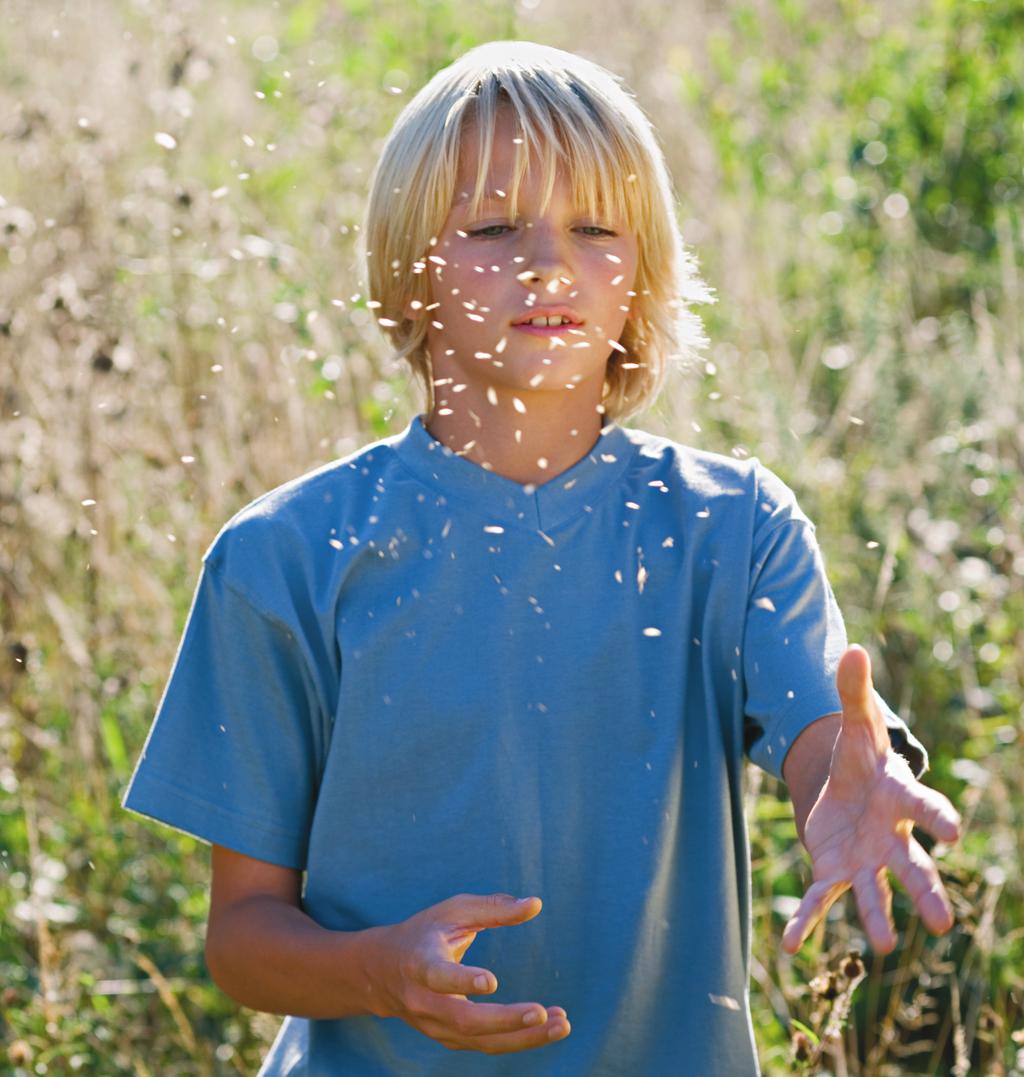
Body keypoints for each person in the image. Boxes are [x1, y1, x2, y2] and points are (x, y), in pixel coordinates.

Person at [122, 40, 961, 1076]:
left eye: (595, 228)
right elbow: (244, 941)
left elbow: (819, 735)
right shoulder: (285, 558)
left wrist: (849, 774)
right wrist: (380, 973)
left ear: (640, 274)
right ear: (409, 264)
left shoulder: (733, 527)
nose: (548, 263)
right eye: (491, 226)